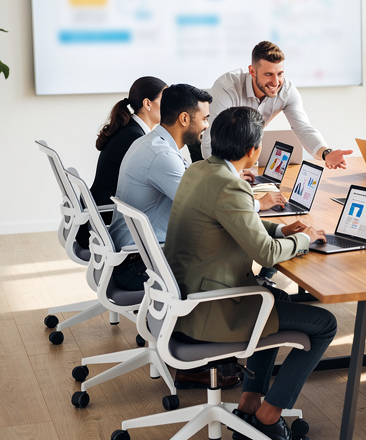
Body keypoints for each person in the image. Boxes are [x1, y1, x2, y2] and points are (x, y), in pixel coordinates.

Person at [164, 106, 337, 440]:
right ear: (253, 150)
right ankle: (269, 417)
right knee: (325, 324)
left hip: (184, 299)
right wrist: (304, 239)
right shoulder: (230, 186)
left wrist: (283, 230)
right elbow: (265, 254)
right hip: (209, 310)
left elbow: (236, 221)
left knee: (275, 297)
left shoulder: (199, 170)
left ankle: (249, 401)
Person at [202, 40, 352, 169]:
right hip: (211, 155)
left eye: (280, 74)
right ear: (252, 71)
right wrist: (233, 174)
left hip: (244, 158)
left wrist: (327, 153)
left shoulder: (286, 91)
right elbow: (210, 142)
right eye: (268, 74)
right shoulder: (227, 88)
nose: (275, 82)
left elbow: (304, 130)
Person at [107, 84, 213, 252]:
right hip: (140, 256)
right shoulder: (162, 155)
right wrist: (254, 204)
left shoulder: (152, 142)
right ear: (184, 119)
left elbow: (192, 178)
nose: (206, 125)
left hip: (136, 245)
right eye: (204, 119)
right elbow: (203, 207)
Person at [74, 76, 166, 250]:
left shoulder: (130, 129)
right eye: (165, 101)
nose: (170, 107)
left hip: (97, 217)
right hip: (103, 222)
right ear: (148, 104)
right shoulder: (135, 138)